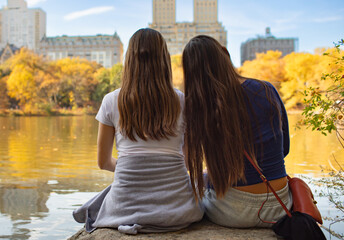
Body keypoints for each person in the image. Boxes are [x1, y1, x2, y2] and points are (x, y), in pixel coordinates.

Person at [73, 28, 203, 234]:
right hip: (178, 211)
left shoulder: (110, 101)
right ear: (164, 60)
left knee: (101, 199)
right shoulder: (183, 101)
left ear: (129, 60)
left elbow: (103, 162)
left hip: (123, 210)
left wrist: (132, 171)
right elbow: (189, 162)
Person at [182, 35, 292, 228]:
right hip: (279, 206)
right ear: (226, 54)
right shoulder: (266, 90)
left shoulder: (198, 107)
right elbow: (284, 150)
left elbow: (187, 164)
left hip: (232, 212)